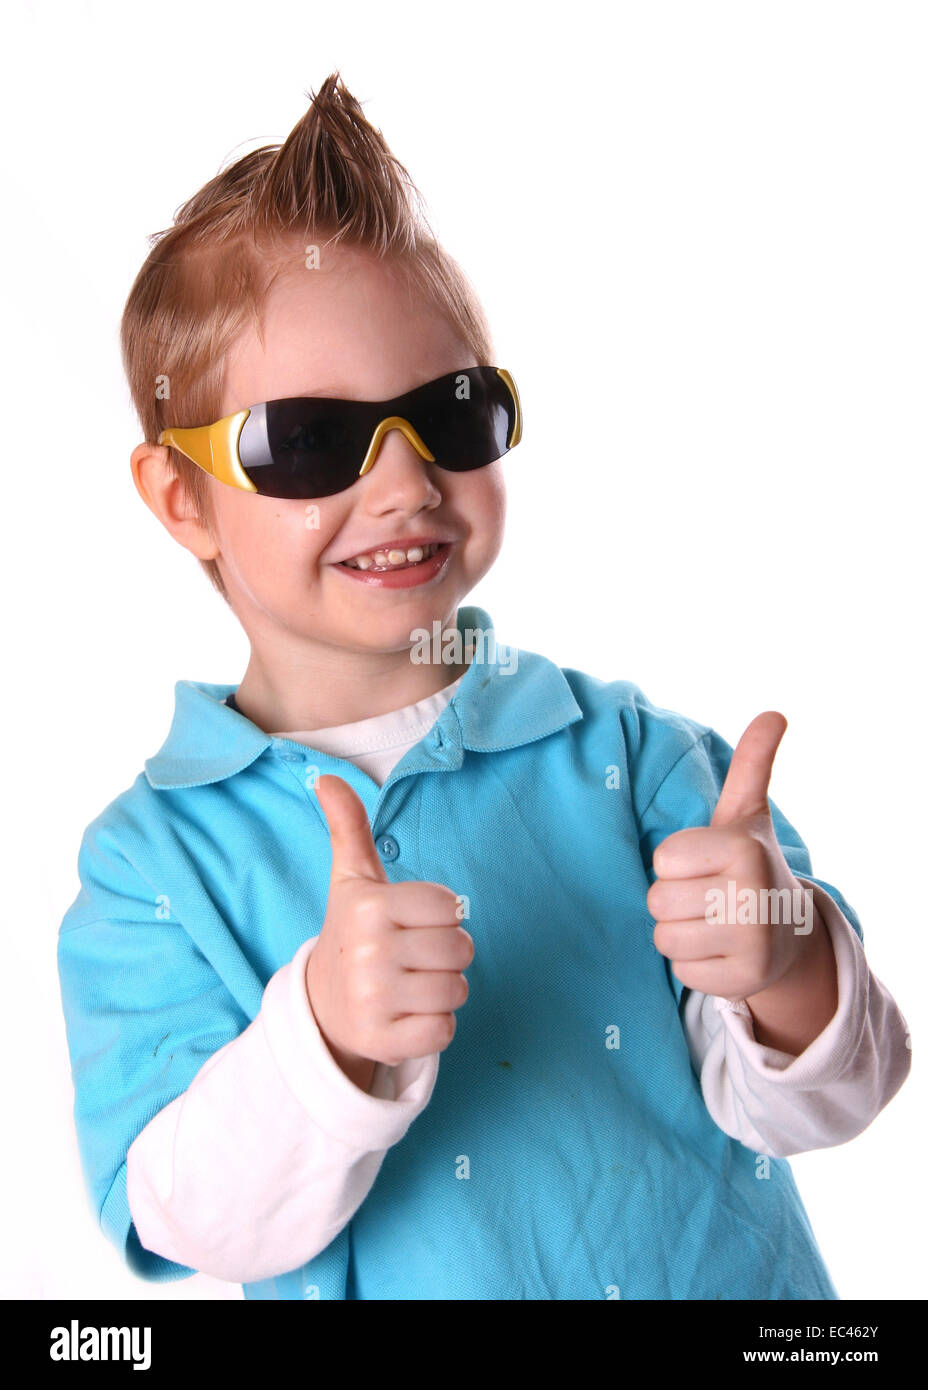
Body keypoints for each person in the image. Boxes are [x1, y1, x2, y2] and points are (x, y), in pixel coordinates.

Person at [57, 72, 910, 1300]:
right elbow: (184, 1221)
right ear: (181, 496)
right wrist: (326, 1040)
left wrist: (785, 961)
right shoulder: (146, 865)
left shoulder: (635, 755)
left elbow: (838, 1096)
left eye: (449, 414)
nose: (404, 481)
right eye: (306, 438)